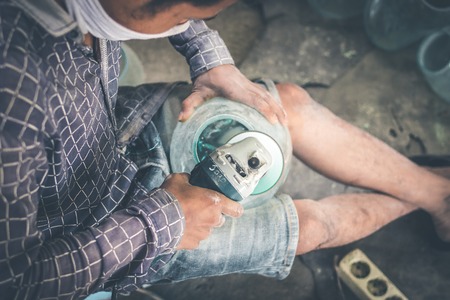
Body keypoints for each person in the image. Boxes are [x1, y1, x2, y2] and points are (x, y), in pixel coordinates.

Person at [0, 0, 449, 299]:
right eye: (184, 18)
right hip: (100, 224)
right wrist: (165, 219)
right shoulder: (14, 91)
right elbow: (16, 283)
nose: (190, 24)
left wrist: (210, 58)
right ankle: (423, 199)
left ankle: (437, 195)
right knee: (307, 226)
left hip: (119, 129)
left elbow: (176, 15)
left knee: (284, 104)